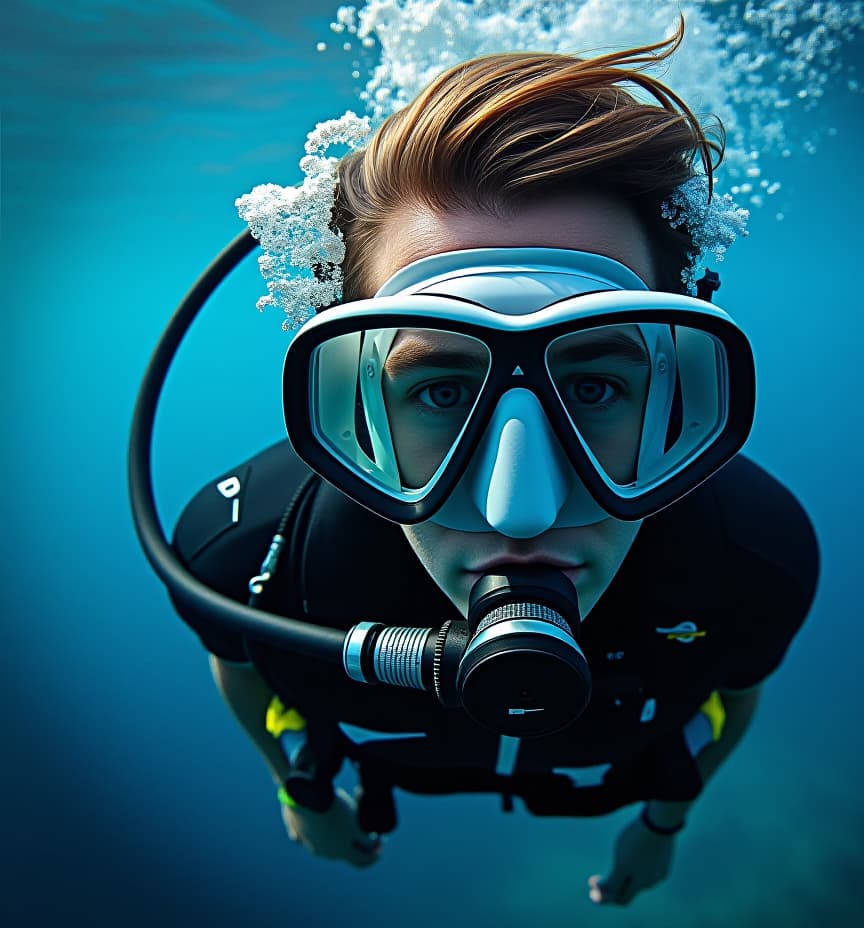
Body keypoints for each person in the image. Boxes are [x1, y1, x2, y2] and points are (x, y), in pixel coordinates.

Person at [168, 20, 819, 907]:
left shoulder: (757, 558)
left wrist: (663, 822)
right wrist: (302, 789)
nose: (521, 509)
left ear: (681, 390)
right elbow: (239, 668)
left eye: (593, 388)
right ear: (352, 403)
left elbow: (736, 695)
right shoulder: (245, 555)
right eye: (439, 391)